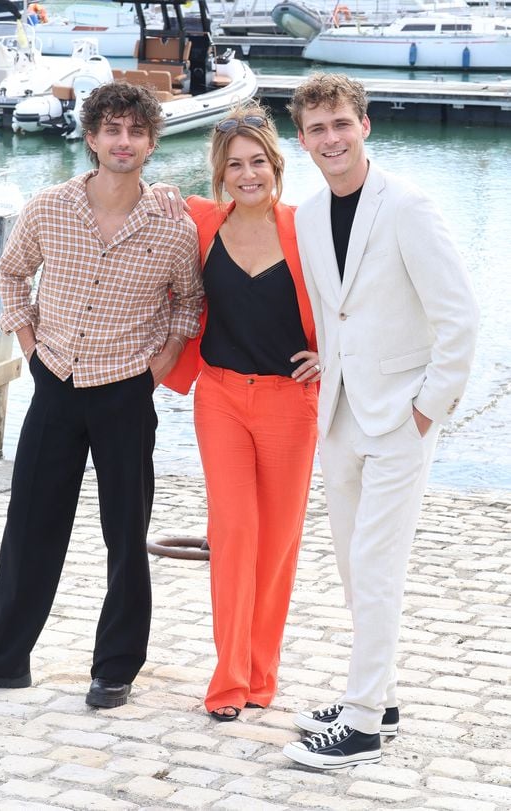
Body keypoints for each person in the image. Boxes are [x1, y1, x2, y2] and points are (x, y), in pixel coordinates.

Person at [0, 82, 203, 709]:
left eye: (136, 132)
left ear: (151, 143)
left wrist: (160, 365)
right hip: (55, 380)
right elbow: (12, 271)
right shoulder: (50, 207)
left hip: (126, 389)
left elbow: (189, 301)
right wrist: (29, 346)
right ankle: (2, 660)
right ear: (92, 138)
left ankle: (115, 668)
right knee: (30, 526)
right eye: (113, 130)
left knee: (126, 534)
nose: (124, 141)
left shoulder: (174, 227)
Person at [282, 73, 480, 769]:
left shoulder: (409, 207)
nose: (331, 138)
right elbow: (339, 309)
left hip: (400, 418)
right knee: (351, 563)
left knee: (375, 564)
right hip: (340, 413)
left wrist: (426, 411)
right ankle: (383, 697)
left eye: (341, 123)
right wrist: (329, 359)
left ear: (364, 125)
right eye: (317, 129)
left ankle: (363, 723)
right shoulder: (309, 215)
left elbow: (460, 319)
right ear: (302, 140)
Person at [155, 103, 320, 721]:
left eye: (257, 162)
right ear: (219, 174)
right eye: (234, 165)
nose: (247, 175)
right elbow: (148, 200)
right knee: (234, 534)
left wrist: (332, 353)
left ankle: (260, 674)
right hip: (220, 397)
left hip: (290, 403)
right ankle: (227, 681)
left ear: (276, 165)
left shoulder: (309, 229)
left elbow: (358, 298)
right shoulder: (201, 221)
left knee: (276, 544)